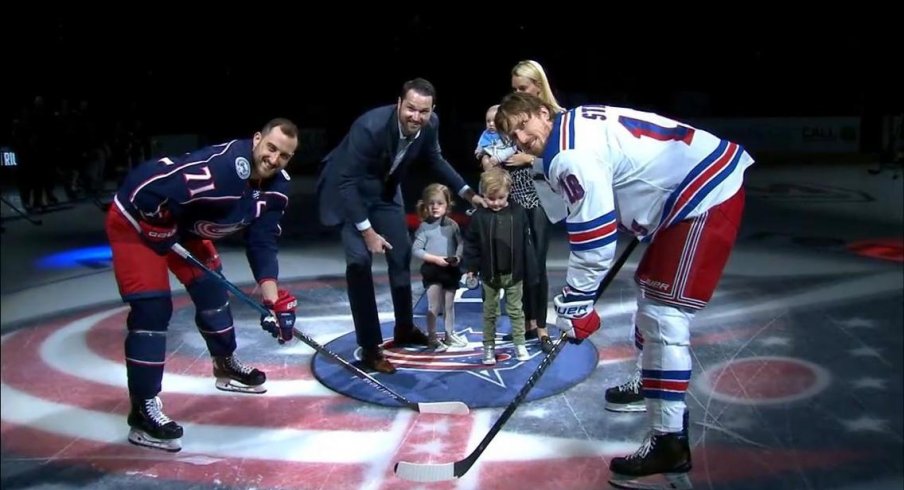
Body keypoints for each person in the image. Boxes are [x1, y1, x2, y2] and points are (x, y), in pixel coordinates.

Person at [494, 93, 754, 487]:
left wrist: (576, 304)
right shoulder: (572, 125)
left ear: (543, 113)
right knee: (650, 296)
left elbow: (595, 237)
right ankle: (651, 386)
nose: (520, 137)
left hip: (703, 195)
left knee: (664, 315)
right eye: (512, 135)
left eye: (523, 124)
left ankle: (670, 443)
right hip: (691, 189)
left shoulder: (569, 153)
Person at [104, 118, 301, 453]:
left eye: (284, 155)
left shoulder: (278, 188)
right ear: (257, 139)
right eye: (270, 147)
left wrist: (273, 299)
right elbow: (145, 189)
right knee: (153, 310)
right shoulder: (224, 169)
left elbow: (262, 240)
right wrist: (155, 224)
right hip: (137, 221)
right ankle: (142, 411)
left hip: (181, 228)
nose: (274, 159)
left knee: (213, 291)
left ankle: (225, 365)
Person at [317, 78, 486, 374]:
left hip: (384, 190)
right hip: (349, 189)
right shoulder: (369, 127)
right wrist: (367, 232)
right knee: (358, 263)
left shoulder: (430, 124)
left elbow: (435, 159)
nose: (416, 117)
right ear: (399, 104)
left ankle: (405, 328)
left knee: (401, 254)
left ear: (432, 109)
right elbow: (347, 182)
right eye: (410, 109)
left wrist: (468, 192)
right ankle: (370, 348)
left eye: (423, 111)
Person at [463, 168, 537, 365]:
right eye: (491, 198)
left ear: (509, 192)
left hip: (514, 274)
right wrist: (471, 267)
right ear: (483, 195)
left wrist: (531, 271)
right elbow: (471, 243)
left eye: (500, 198)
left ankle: (520, 344)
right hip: (489, 275)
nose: (495, 203)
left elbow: (526, 243)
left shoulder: (518, 213)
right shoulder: (480, 217)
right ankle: (488, 348)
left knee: (516, 311)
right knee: (489, 313)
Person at [411, 183, 469, 351]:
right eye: (431, 203)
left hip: (450, 269)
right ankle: (432, 337)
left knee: (449, 305)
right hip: (433, 271)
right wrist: (435, 259)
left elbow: (460, 243)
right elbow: (416, 250)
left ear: (447, 205)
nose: (435, 207)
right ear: (426, 205)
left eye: (439, 203)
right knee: (433, 306)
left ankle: (449, 334)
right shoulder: (424, 227)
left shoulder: (452, 225)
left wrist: (457, 257)